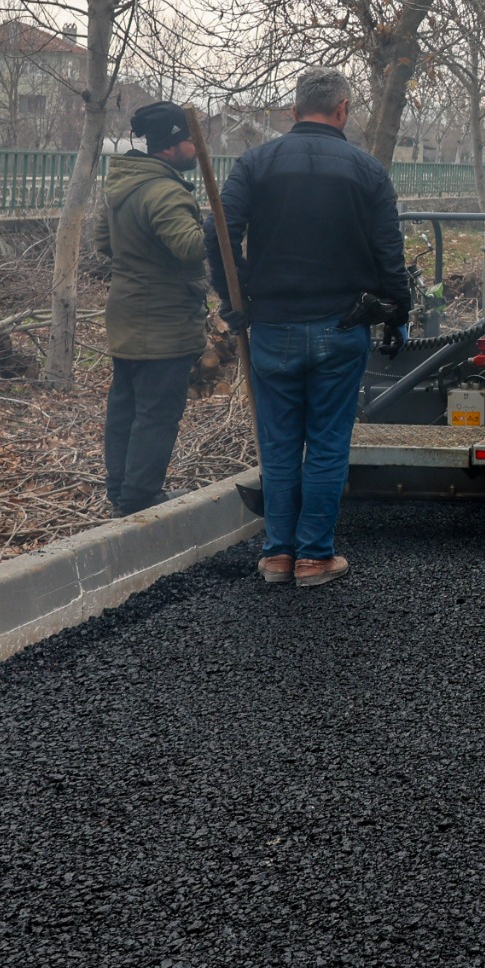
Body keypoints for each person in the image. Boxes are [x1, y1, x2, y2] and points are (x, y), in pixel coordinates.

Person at [208, 68, 408, 590]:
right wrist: (396, 312)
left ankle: (277, 555)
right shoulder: (368, 170)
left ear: (294, 112)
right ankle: (315, 557)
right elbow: (390, 253)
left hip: (272, 326)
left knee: (278, 444)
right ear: (342, 110)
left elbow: (219, 234)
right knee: (326, 444)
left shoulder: (254, 163)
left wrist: (239, 299)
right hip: (341, 328)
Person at [90, 101, 210, 516]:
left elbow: (104, 243)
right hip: (163, 321)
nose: (195, 147)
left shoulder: (123, 184)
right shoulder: (164, 191)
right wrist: (213, 225)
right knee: (157, 413)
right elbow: (190, 247)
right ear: (171, 145)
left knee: (124, 407)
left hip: (125, 316)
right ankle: (140, 498)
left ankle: (120, 490)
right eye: (190, 140)